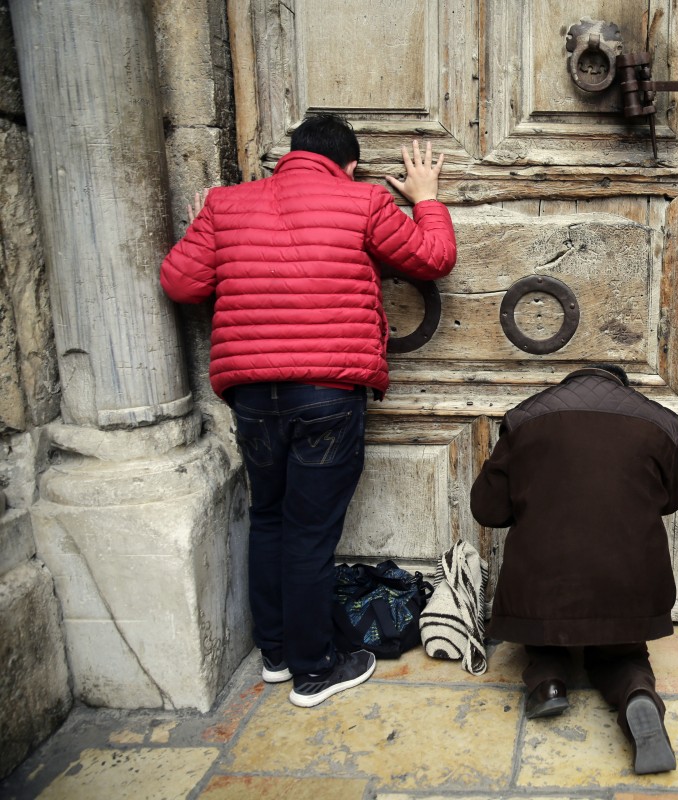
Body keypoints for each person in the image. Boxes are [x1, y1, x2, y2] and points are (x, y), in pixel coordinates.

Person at [160, 114, 457, 708]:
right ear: (348, 166)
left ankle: (274, 653)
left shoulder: (225, 205)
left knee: (268, 518)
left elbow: (180, 284)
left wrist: (203, 225)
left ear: (288, 156)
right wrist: (426, 199)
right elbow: (433, 258)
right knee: (311, 532)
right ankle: (315, 668)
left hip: (252, 397)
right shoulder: (363, 201)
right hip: (326, 394)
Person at [470, 364, 678, 774]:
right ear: (621, 385)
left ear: (568, 383)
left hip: (542, 588)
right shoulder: (660, 421)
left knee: (544, 635)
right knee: (622, 651)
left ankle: (548, 680)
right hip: (631, 590)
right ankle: (636, 695)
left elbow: (486, 508)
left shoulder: (525, 417)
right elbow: (674, 499)